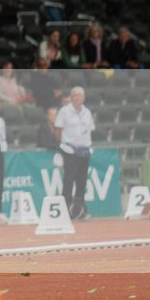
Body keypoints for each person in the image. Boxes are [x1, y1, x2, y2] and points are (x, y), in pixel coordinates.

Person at [54, 85, 95, 219]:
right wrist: (63, 145)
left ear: (84, 97)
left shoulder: (87, 112)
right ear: (71, 98)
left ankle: (80, 210)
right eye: (75, 95)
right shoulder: (64, 111)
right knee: (69, 180)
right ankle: (65, 210)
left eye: (80, 95)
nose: (78, 98)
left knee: (82, 182)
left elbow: (90, 130)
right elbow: (58, 130)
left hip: (85, 151)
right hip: (70, 150)